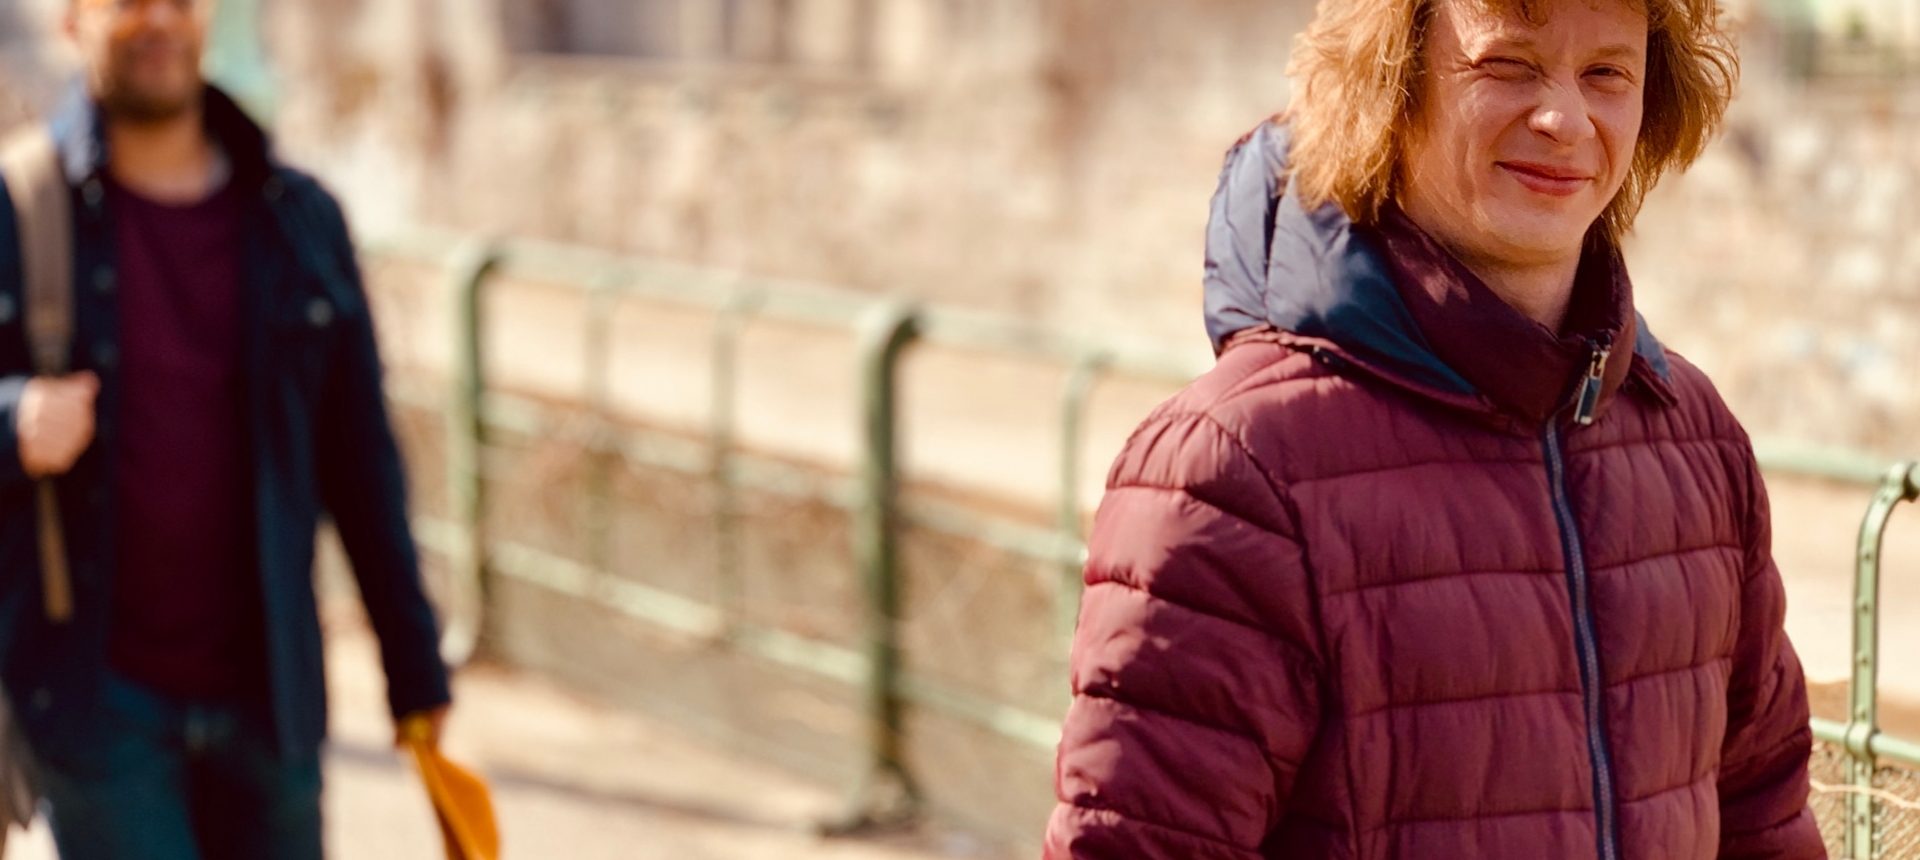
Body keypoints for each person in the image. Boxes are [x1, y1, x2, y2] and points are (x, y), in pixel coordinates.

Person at [1045, 0, 1823, 857]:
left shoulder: (1694, 440)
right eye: (1508, 65)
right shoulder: (1231, 474)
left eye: (1607, 72)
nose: (1566, 119)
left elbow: (1765, 815)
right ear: (1389, 87)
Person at [0, 0, 452, 857]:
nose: (159, 21)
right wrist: (12, 419)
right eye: (129, 2)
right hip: (95, 706)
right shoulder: (16, 208)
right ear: (72, 20)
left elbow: (362, 463)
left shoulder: (299, 218)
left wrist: (415, 669)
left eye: (180, 0)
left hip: (270, 703)